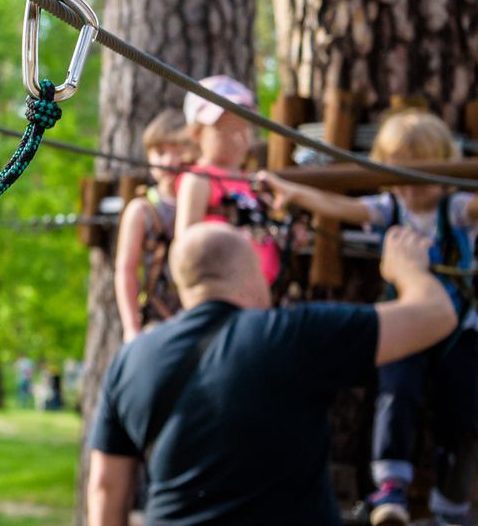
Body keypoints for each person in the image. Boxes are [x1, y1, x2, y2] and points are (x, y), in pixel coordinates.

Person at [86, 222, 456, 526]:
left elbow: (106, 487)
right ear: (250, 275)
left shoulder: (131, 360)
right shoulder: (292, 335)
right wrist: (407, 269)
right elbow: (436, 316)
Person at [262, 110, 478, 526]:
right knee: (396, 394)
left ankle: (451, 500)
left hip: (458, 327)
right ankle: (391, 488)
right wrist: (291, 191)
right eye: (401, 178)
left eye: (422, 178)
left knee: (461, 408)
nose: (411, 192)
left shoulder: (457, 209)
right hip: (406, 324)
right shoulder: (388, 208)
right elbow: (337, 205)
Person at [173, 76, 282, 292]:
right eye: (228, 129)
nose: (240, 138)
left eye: (245, 128)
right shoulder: (198, 180)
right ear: (196, 133)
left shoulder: (250, 180)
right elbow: (184, 245)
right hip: (222, 293)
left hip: (262, 291)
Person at [116, 110, 194, 338]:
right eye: (160, 152)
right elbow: (126, 270)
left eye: (179, 151)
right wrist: (131, 328)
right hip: (157, 318)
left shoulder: (209, 201)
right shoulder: (142, 210)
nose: (170, 161)